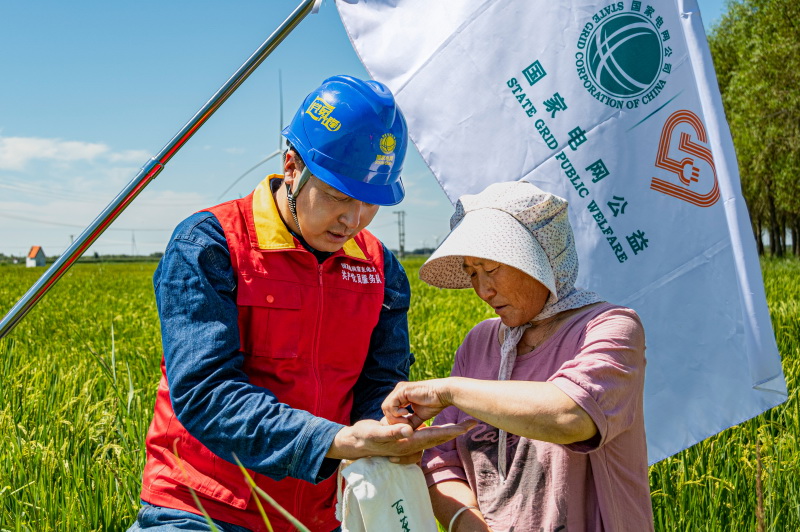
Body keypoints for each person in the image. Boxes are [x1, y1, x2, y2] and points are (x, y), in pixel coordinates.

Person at [130, 75, 471, 532]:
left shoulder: (379, 268)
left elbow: (379, 384)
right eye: (337, 196)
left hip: (320, 515)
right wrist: (335, 439)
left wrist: (389, 428)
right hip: (203, 507)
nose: (352, 219)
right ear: (292, 166)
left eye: (370, 203)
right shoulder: (212, 243)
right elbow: (205, 392)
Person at [382, 181, 654, 531]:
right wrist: (467, 522)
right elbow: (442, 459)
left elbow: (570, 415)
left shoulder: (610, 328)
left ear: (541, 259)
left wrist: (449, 391)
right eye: (471, 272)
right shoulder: (480, 342)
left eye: (491, 269)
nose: (483, 290)